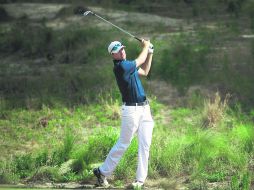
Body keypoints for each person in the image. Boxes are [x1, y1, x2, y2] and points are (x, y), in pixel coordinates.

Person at [93, 39, 154, 189]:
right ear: (113, 55)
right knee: (123, 143)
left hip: (145, 109)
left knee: (145, 145)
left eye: (122, 49)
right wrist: (146, 46)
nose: (122, 51)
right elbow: (140, 59)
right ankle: (102, 172)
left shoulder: (128, 66)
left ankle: (139, 181)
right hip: (131, 111)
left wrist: (150, 52)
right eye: (118, 51)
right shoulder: (121, 67)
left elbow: (145, 71)